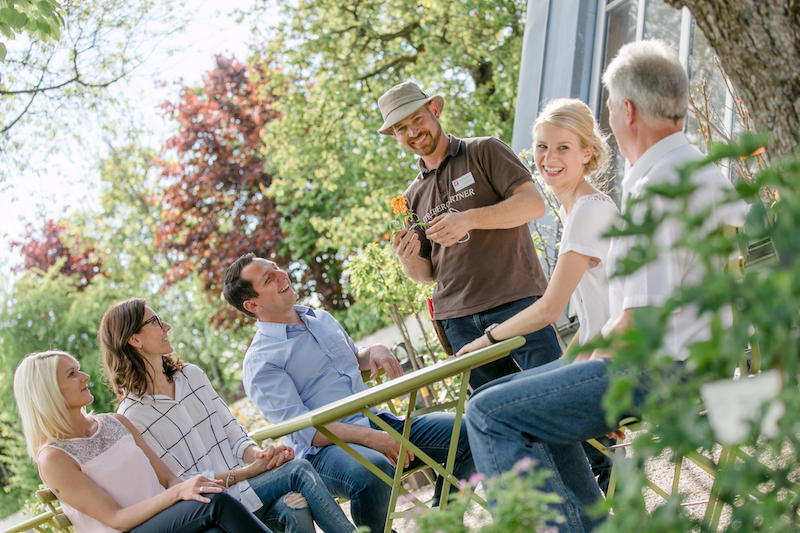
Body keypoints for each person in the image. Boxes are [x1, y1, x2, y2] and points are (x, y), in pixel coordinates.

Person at [464, 39, 748, 533]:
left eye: (610, 107)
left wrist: (578, 372)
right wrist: (570, 373)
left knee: (488, 411)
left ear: (626, 110)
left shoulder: (655, 185)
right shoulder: (702, 171)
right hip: (707, 358)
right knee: (526, 400)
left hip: (666, 372)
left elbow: (634, 322)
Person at [222, 254, 476, 533]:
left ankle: (444, 526)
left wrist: (373, 351)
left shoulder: (321, 319)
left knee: (468, 433)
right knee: (372, 472)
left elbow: (353, 360)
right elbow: (306, 431)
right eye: (269, 278)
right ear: (252, 304)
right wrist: (372, 439)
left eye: (276, 268)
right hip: (323, 453)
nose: (282, 274)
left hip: (374, 421)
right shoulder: (261, 361)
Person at [456, 98, 619, 492]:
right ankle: (583, 506)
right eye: (542, 147)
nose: (549, 158)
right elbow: (598, 322)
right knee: (494, 395)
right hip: (608, 358)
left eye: (563, 147)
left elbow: (548, 309)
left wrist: (485, 340)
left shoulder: (588, 212)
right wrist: (567, 369)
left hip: (622, 368)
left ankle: (566, 514)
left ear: (588, 153)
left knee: (495, 411)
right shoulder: (583, 210)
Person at [98, 298, 355, 533]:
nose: (166, 326)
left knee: (292, 506)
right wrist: (250, 471)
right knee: (298, 472)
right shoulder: (133, 416)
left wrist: (262, 457)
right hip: (218, 507)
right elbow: (180, 482)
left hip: (251, 489)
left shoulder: (191, 375)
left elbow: (234, 434)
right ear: (134, 339)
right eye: (154, 322)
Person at [378, 80, 562, 390]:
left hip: (516, 301)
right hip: (458, 322)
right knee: (502, 418)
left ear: (434, 110)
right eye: (400, 128)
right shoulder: (411, 197)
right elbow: (428, 274)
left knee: (559, 396)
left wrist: (468, 219)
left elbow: (533, 204)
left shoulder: (485, 150)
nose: (412, 132)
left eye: (417, 119)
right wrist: (407, 261)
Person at [14, 350, 274, 533]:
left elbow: (169, 479)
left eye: (79, 370)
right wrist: (178, 493)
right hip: (132, 528)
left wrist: (179, 490)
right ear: (47, 392)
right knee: (215, 503)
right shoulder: (54, 458)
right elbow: (117, 519)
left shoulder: (116, 422)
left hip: (171, 519)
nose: (85, 377)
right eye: (72, 374)